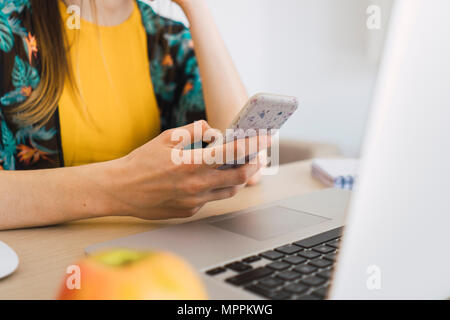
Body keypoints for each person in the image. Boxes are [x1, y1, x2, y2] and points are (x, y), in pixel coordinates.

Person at [0, 0, 266, 230]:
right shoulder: (9, 26)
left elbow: (244, 165)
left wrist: (196, 8)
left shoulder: (168, 39)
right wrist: (121, 188)